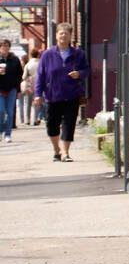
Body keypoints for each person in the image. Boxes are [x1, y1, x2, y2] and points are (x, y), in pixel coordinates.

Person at [33, 24, 90, 162]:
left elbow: (87, 70)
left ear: (71, 36)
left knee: (69, 124)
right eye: (61, 33)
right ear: (56, 35)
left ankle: (65, 152)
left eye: (66, 33)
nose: (63, 36)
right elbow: (40, 75)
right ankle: (56, 150)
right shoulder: (47, 55)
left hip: (72, 95)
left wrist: (79, 74)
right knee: (52, 125)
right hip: (53, 96)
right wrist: (37, 94)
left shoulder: (78, 54)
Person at [0, 40, 22, 143]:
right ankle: (0, 131)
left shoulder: (15, 60)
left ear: (9, 47)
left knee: (10, 113)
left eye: (7, 45)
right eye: (3, 46)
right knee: (1, 111)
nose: (5, 47)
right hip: (0, 90)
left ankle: (7, 134)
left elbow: (19, 76)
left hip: (12, 89)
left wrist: (18, 90)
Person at [19, 49, 41, 125]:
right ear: (38, 55)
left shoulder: (28, 64)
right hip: (38, 86)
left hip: (29, 86)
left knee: (27, 103)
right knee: (36, 103)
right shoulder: (40, 63)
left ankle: (27, 120)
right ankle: (35, 119)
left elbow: (24, 77)